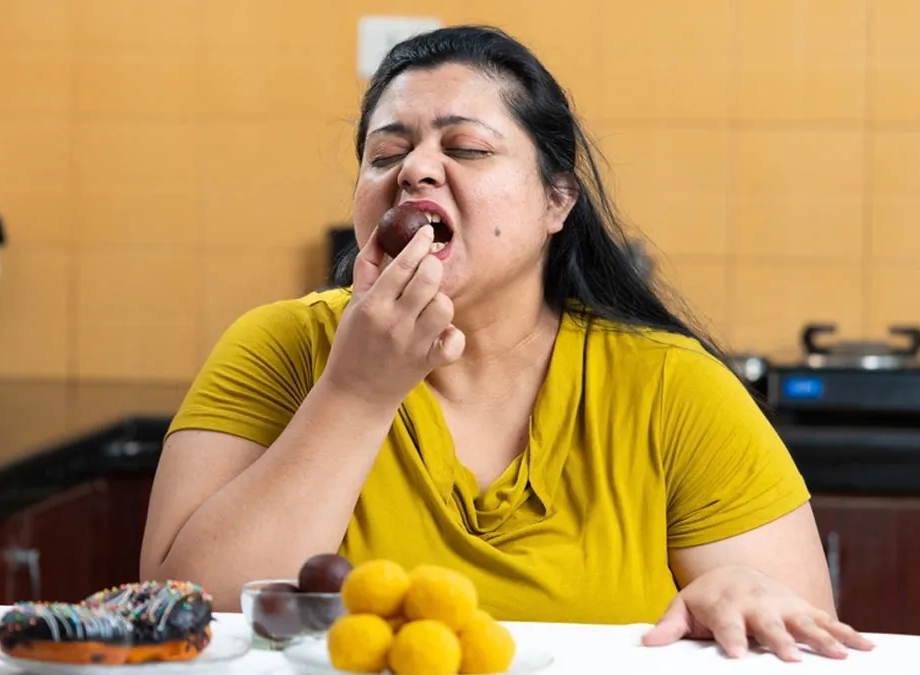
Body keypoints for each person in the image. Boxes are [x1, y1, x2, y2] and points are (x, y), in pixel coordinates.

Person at [139, 24, 875, 662]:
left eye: (467, 147)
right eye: (385, 155)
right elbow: (188, 612)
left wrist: (740, 590)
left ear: (557, 201)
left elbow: (799, 645)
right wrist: (357, 392)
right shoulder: (279, 348)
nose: (415, 170)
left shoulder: (672, 387)